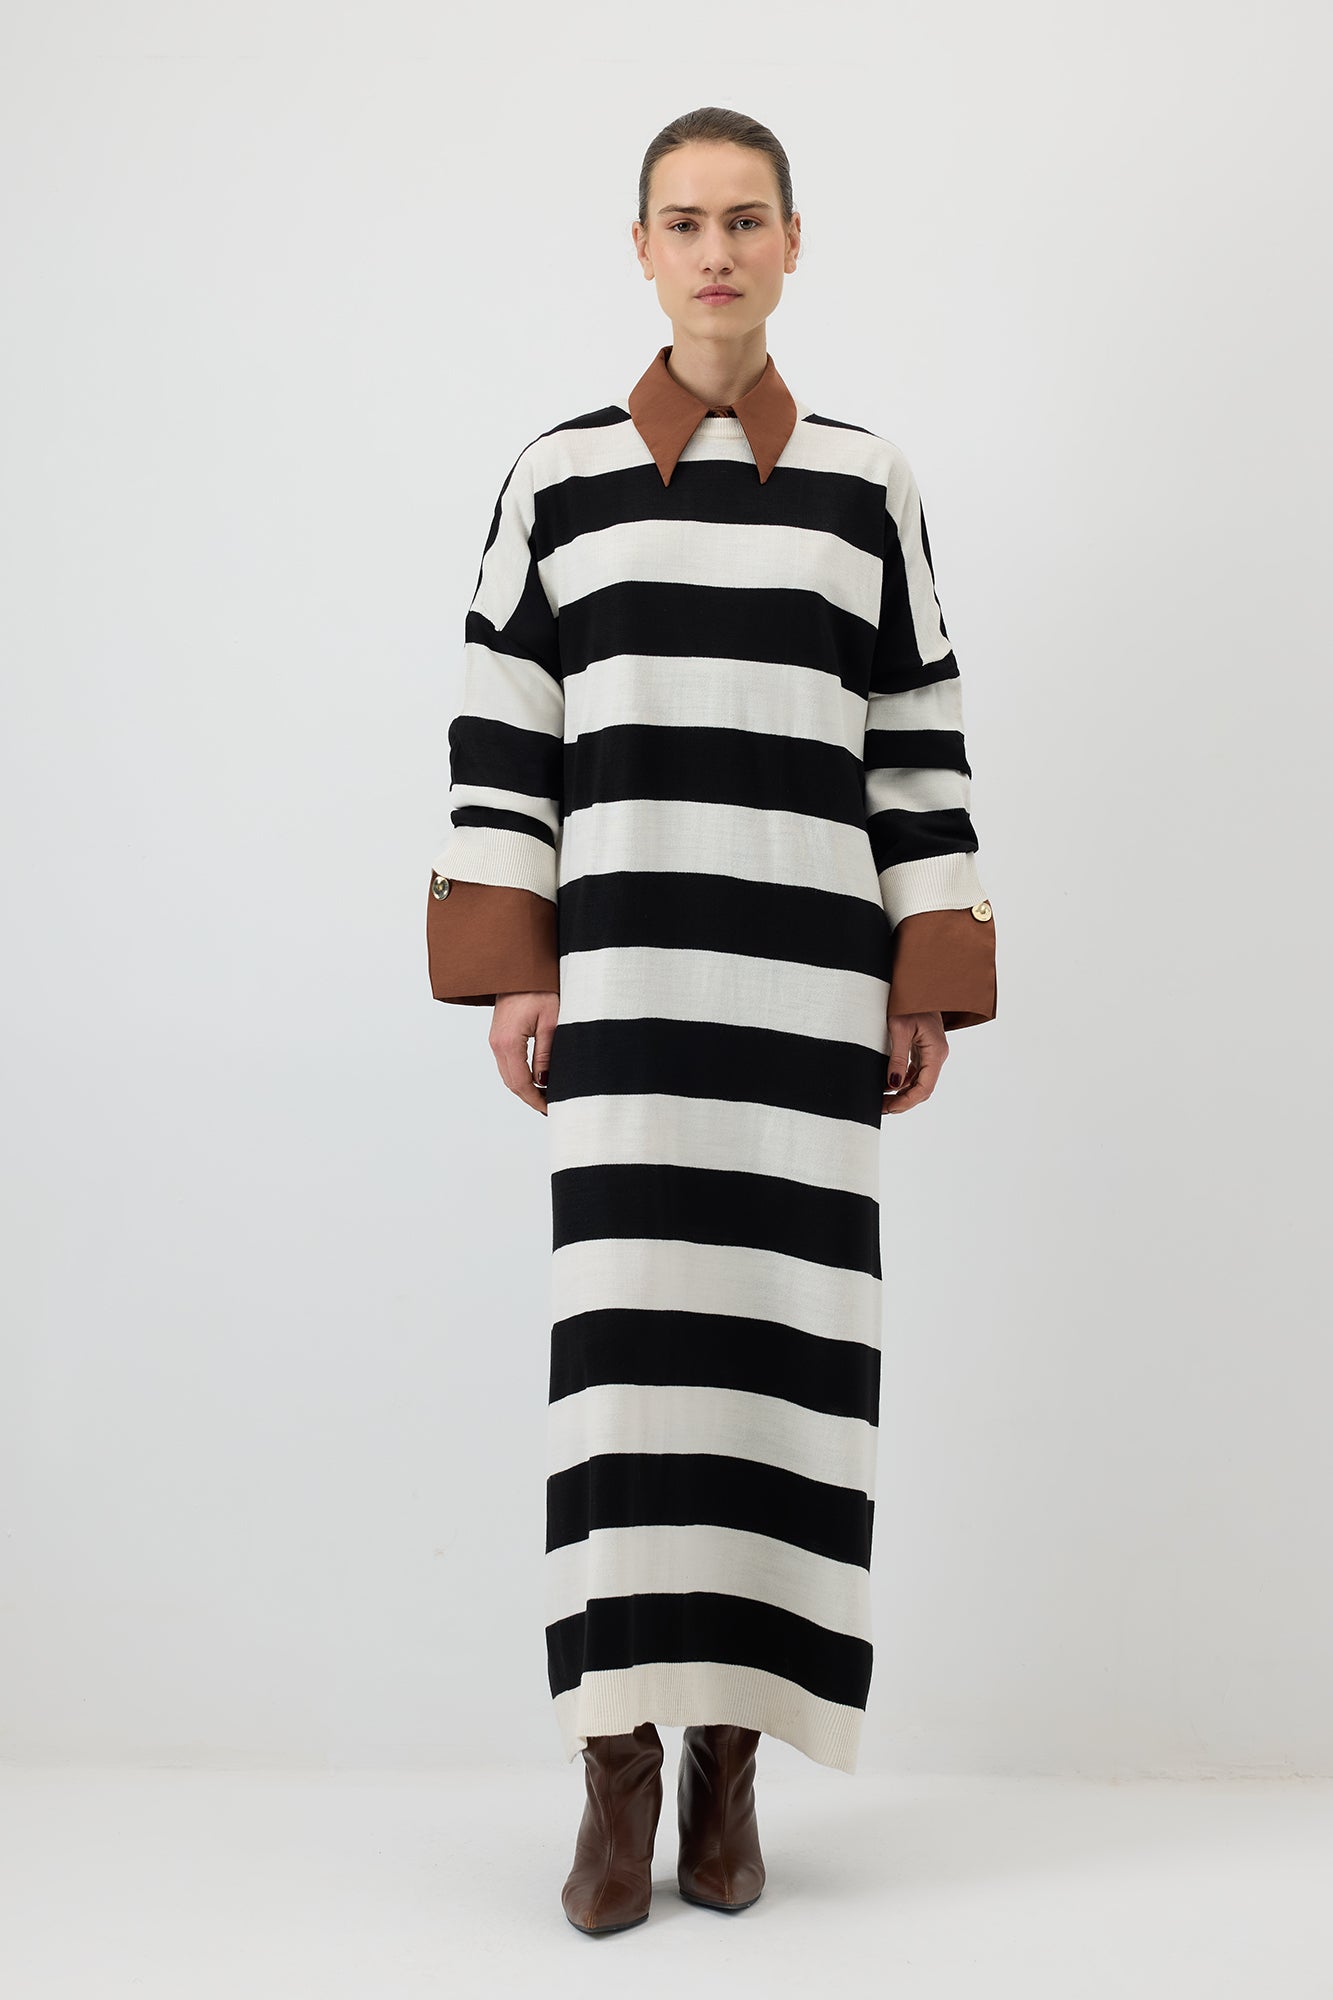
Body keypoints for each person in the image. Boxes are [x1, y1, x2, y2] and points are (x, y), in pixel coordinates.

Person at [425, 105, 998, 1936]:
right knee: (624, 1372)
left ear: (793, 242)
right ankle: (614, 1769)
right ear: (642, 249)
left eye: (746, 219)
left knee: (788, 1369)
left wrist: (924, 973)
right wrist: (517, 965)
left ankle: (730, 1764)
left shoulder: (865, 484)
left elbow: (916, 737)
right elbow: (503, 727)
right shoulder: (560, 478)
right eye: (684, 222)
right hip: (631, 998)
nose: (717, 252)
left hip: (805, 1006)